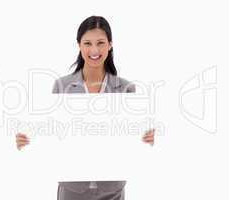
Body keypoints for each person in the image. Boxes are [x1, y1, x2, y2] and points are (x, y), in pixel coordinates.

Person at [16, 16, 154, 200]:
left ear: (110, 45)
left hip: (111, 190)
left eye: (101, 43)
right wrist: (29, 140)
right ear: (79, 45)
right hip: (72, 189)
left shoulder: (126, 88)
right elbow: (53, 133)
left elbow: (134, 142)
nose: (94, 50)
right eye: (87, 43)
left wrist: (147, 139)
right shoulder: (62, 86)